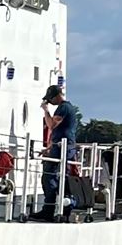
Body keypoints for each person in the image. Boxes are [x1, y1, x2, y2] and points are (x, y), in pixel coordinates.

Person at [40, 83, 81, 219]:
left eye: (50, 99)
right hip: (63, 146)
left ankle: (49, 210)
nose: (50, 102)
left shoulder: (63, 108)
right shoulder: (66, 107)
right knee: (62, 177)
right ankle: (65, 209)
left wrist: (46, 111)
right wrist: (50, 147)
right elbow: (60, 132)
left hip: (63, 148)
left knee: (49, 176)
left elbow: (52, 125)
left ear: (56, 96)